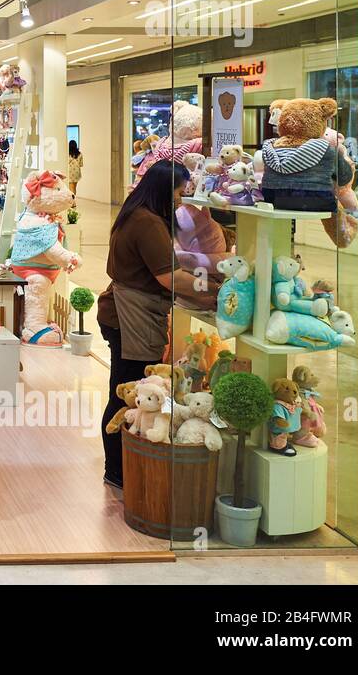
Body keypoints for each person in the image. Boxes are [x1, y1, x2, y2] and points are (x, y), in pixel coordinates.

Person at [97, 160, 216, 489]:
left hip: (122, 311)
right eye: (179, 191)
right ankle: (120, 468)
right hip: (130, 315)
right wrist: (212, 291)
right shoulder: (148, 223)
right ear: (166, 189)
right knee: (130, 394)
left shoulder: (135, 212)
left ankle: (122, 466)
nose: (182, 198)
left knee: (125, 390)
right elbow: (170, 277)